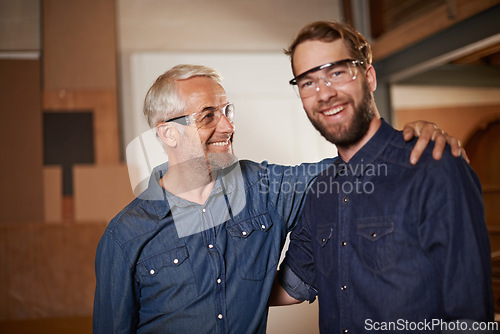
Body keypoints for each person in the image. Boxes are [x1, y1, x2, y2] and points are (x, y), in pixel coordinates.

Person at [93, 64, 464, 334]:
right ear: (168, 134)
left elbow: (343, 168)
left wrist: (409, 142)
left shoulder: (265, 188)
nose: (228, 126)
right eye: (208, 116)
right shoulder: (126, 236)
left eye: (227, 111)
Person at [272, 21, 495, 333]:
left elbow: (470, 317)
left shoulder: (435, 168)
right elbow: (293, 284)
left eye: (336, 72)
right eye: (308, 83)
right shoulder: (320, 192)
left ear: (369, 77)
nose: (324, 93)